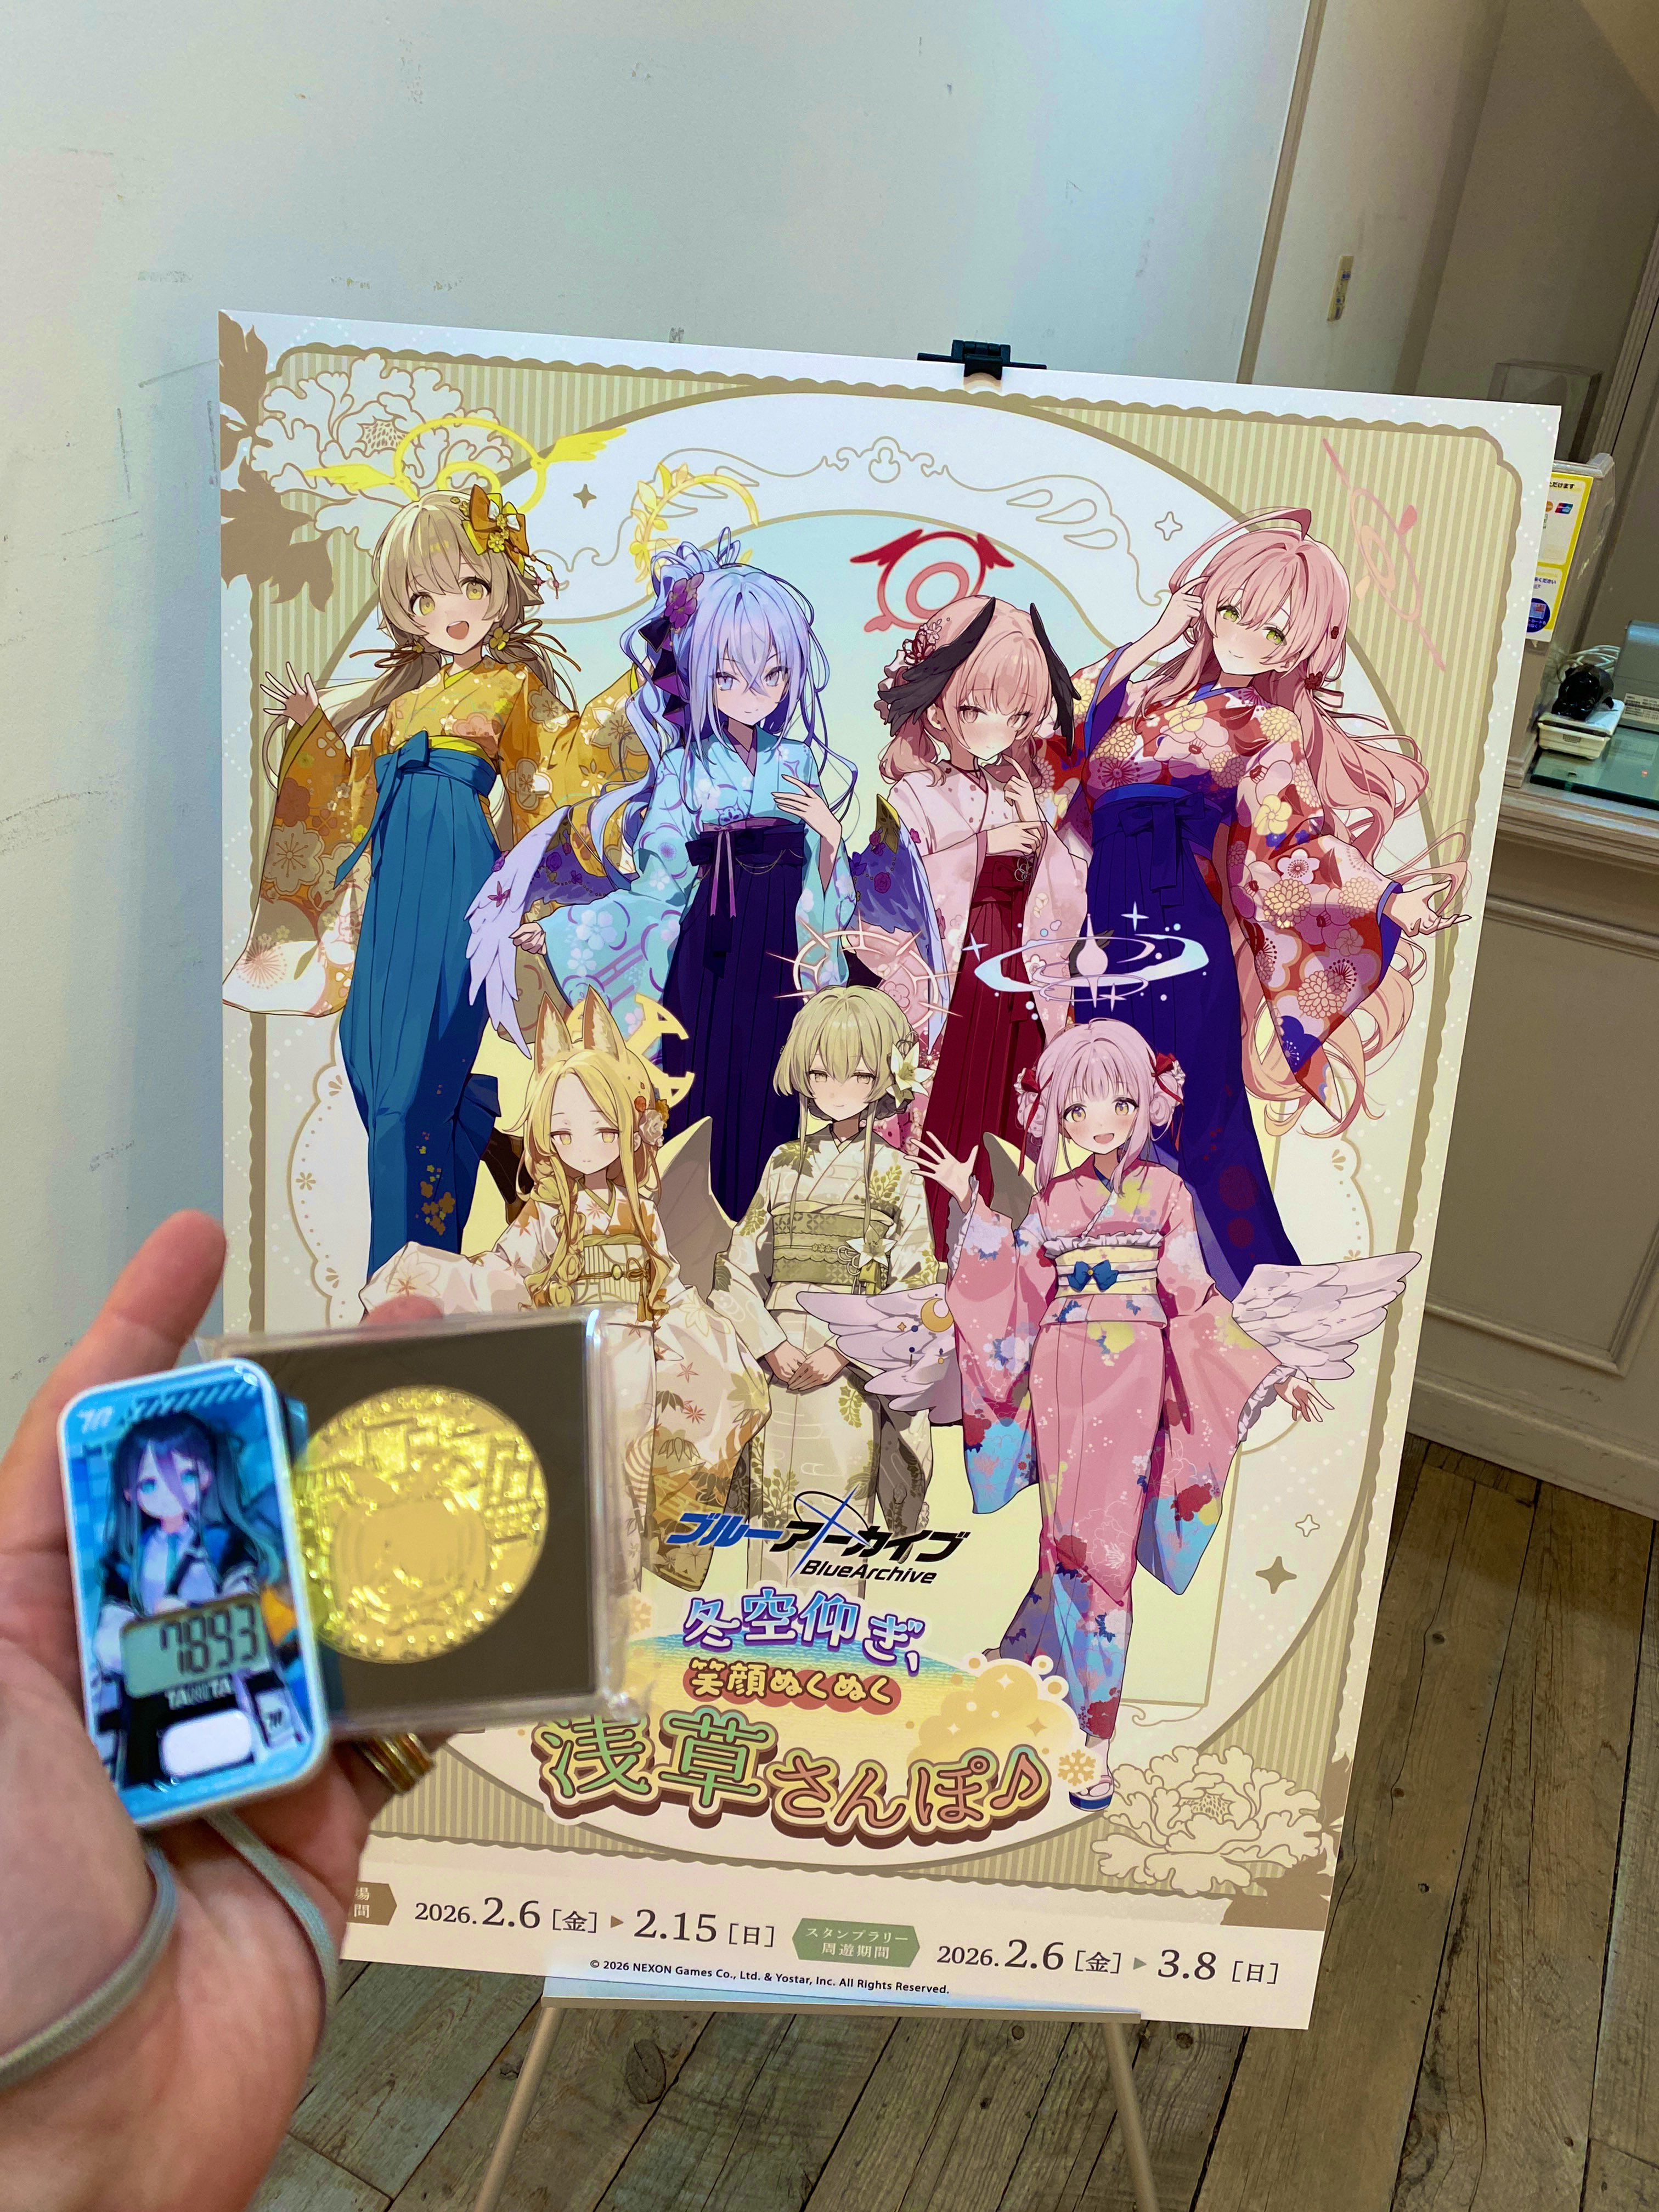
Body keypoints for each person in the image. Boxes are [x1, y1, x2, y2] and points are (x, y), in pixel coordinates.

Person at [0, 1212, 445, 2208]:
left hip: (251, 1706)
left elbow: (274, 1614)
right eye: (154, 1473)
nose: (174, 1483)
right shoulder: (128, 1567)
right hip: (158, 1730)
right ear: (129, 1486)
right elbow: (117, 1638)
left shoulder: (235, 1548)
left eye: (189, 1467)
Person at [228, 485, 643, 1277]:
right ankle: (471, 1124)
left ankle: (402, 1277)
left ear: (500, 589)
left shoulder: (514, 690)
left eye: (469, 587)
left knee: (410, 1086)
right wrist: (314, 731)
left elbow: (550, 781)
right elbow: (351, 801)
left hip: (459, 875)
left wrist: (535, 901)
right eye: (425, 597)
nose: (450, 610)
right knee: (369, 1062)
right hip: (393, 888)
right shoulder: (400, 708)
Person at [1057, 510, 1462, 1295]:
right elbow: (1062, 727)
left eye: (1275, 630)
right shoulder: (1144, 697)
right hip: (1104, 925)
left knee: (1191, 1100)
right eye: (1235, 609)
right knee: (1108, 1091)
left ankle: (1244, 1286)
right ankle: (1130, 1279)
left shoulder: (1264, 723)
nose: (1245, 636)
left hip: (1178, 920)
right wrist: (1157, 635)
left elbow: (1292, 833)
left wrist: (1388, 900)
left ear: (1304, 646)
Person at [927, 1024, 1325, 1808]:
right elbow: (1015, 1290)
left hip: (1136, 1377)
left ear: (1148, 1103)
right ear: (1059, 1116)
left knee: (1098, 1549)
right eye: (1078, 1109)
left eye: (1119, 1102)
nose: (1100, 1121)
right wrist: (973, 1209)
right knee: (1069, 1537)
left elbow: (1195, 1299)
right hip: (1060, 1371)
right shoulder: (1054, 1200)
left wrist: (1268, 1371)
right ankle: (1034, 1683)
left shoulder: (1169, 1196)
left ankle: (1089, 1730)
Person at [496, 532, 857, 1221]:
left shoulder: (798, 761)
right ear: (696, 674)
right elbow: (658, 887)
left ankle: (760, 1239)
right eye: (727, 676)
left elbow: (824, 878)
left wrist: (831, 836)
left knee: (775, 1085)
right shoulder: (684, 768)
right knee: (702, 1083)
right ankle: (694, 1233)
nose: (752, 693)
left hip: (782, 943)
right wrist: (567, 931)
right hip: (711, 944)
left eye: (772, 674)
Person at [362, 990, 769, 1592]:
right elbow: (505, 1272)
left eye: (602, 1129)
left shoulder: (640, 1210)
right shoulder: (548, 1214)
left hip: (636, 1360)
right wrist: (443, 1283)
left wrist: (703, 1336)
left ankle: (622, 1597)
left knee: (628, 1487)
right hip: (575, 1357)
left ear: (628, 1128)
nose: (584, 1146)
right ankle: (568, 1593)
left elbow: (666, 1282)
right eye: (563, 1133)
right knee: (576, 1479)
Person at [864, 595, 1087, 1255]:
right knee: (947, 1103)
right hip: (953, 979)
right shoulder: (914, 793)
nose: (999, 727)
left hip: (1016, 968)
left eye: (1018, 715)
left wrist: (1039, 832)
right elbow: (892, 892)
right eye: (978, 708)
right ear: (939, 707)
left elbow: (1065, 897)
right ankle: (929, 1245)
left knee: (1008, 1102)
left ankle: (1005, 1245)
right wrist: (984, 849)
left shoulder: (1017, 790)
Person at [711, 986, 937, 1580]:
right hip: (777, 1364)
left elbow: (915, 1284)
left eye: (857, 1075)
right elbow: (736, 1269)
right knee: (771, 1528)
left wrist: (843, 1352)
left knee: (838, 1522)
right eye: (820, 1073)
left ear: (884, 1077)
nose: (837, 1090)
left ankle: (831, 1635)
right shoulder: (783, 1164)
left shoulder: (899, 1173)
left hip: (848, 1377)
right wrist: (769, 1344)